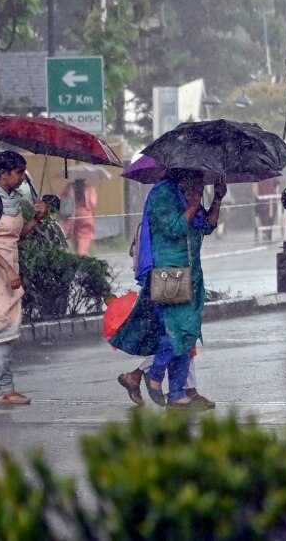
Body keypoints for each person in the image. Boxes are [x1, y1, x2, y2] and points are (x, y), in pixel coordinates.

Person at [110, 169, 224, 409]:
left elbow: (206, 226)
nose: (201, 185)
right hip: (169, 271)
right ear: (184, 174)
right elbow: (174, 229)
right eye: (198, 179)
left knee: (188, 333)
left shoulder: (186, 193)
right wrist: (193, 204)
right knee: (175, 331)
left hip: (191, 274)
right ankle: (155, 373)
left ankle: (176, 393)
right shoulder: (164, 193)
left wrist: (217, 199)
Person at [0, 151, 47, 405]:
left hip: (10, 271)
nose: (22, 177)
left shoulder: (14, 199)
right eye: (18, 172)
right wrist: (6, 269)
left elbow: (16, 235)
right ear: (3, 173)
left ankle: (6, 386)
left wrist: (37, 218)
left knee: (2, 328)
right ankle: (6, 388)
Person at [61, 178, 98, 255]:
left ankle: (79, 261)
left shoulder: (69, 188)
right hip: (86, 218)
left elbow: (62, 200)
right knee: (82, 250)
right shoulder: (89, 188)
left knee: (76, 248)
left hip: (72, 218)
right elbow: (92, 203)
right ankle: (82, 260)